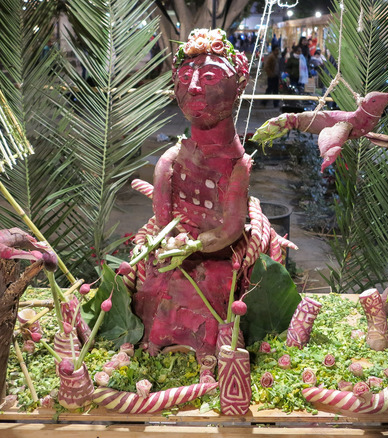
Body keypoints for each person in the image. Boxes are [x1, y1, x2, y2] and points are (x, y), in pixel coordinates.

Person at [132, 29, 252, 356]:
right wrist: (170, 244)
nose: (194, 86)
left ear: (238, 86)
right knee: (156, 274)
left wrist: (197, 245)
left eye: (211, 76)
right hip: (176, 249)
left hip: (216, 255)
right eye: (185, 77)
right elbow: (163, 220)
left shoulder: (238, 167)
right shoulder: (169, 164)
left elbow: (231, 228)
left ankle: (211, 351)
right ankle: (152, 343)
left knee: (214, 279)